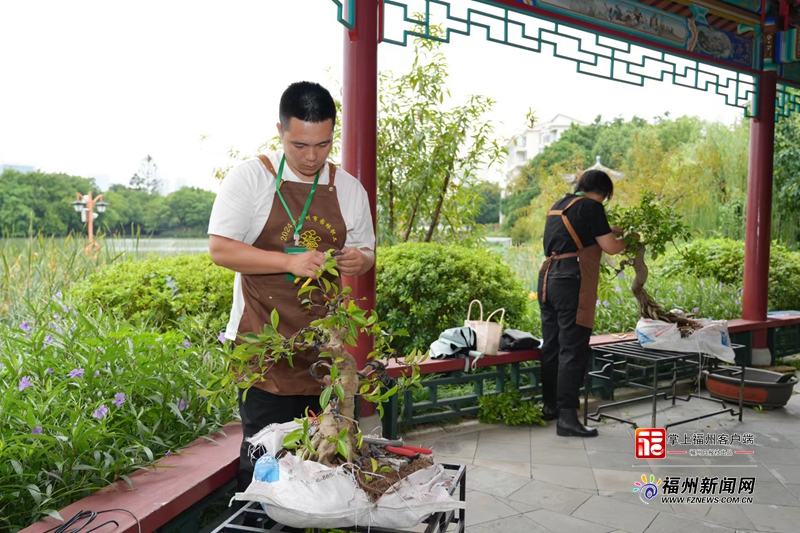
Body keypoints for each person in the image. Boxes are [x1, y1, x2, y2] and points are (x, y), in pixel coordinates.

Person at [207, 81, 375, 494]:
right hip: (263, 344)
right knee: (264, 459)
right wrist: (287, 261)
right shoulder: (250, 179)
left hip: (323, 348)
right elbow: (220, 249)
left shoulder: (348, 188)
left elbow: (367, 250)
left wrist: (361, 259)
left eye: (323, 144)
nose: (313, 156)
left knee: (322, 456)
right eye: (300, 145)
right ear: (279, 131)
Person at [537, 170, 629, 438]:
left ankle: (550, 406)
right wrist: (631, 239)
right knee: (573, 348)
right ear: (603, 192)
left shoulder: (559, 206)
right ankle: (567, 418)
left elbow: (578, 235)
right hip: (570, 280)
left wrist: (605, 230)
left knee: (552, 344)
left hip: (547, 278)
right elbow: (611, 247)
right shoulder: (592, 206)